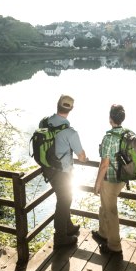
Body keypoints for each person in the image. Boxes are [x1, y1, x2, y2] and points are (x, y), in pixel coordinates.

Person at [42, 94, 88, 248]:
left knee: (64, 199)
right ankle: (60, 237)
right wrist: (85, 158)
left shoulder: (45, 122)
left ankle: (68, 226)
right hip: (63, 173)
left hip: (48, 169)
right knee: (64, 202)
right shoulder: (70, 132)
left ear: (57, 105)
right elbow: (81, 156)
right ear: (71, 109)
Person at [92, 104, 127, 255]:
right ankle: (103, 233)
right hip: (123, 178)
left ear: (110, 118)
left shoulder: (109, 138)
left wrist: (97, 183)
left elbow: (104, 164)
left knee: (111, 211)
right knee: (105, 205)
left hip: (110, 179)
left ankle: (114, 246)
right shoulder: (127, 134)